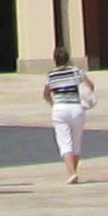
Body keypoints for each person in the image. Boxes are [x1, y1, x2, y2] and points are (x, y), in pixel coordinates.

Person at [43, 52, 97, 183]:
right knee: (76, 142)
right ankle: (73, 171)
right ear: (68, 59)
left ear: (54, 60)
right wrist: (87, 97)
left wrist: (52, 103)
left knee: (64, 142)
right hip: (76, 108)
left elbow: (46, 93)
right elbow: (90, 85)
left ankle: (72, 173)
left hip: (60, 109)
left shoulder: (51, 75)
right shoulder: (76, 71)